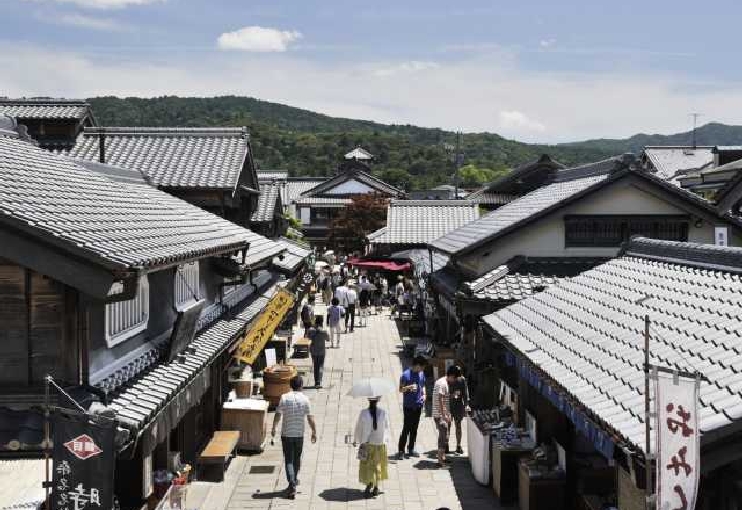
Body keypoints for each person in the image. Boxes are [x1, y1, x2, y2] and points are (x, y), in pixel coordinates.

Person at [271, 376, 317, 499]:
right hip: (299, 435)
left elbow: (278, 414)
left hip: (286, 434)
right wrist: (314, 431)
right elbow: (310, 418)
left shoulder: (284, 398)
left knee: (289, 460)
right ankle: (293, 481)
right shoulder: (305, 399)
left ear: (291, 385)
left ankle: (292, 482)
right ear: (301, 385)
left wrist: (274, 428)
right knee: (297, 459)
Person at [353, 397, 390, 498]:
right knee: (377, 465)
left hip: (367, 444)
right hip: (380, 444)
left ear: (368, 401)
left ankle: (369, 484)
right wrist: (386, 441)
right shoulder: (383, 413)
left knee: (368, 466)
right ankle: (376, 487)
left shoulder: (363, 413)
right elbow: (387, 427)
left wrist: (356, 440)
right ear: (378, 401)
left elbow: (359, 427)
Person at [397, 356, 427, 459]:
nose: (422, 369)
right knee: (406, 428)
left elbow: (423, 385)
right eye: (422, 367)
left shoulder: (421, 374)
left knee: (414, 428)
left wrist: (424, 394)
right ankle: (401, 450)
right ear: (417, 365)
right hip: (408, 406)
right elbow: (400, 390)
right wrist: (409, 387)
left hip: (418, 405)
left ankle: (411, 449)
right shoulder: (405, 375)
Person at [431, 366, 458, 467]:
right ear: (451, 376)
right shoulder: (443, 384)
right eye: (454, 378)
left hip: (440, 414)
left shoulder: (441, 381)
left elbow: (443, 397)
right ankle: (440, 461)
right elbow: (441, 400)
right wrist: (444, 415)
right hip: (440, 415)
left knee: (444, 436)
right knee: (443, 437)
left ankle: (442, 458)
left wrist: (451, 396)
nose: (454, 381)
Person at [448, 366, 470, 454]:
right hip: (448, 405)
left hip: (458, 406)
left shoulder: (462, 380)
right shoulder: (446, 380)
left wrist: (466, 405)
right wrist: (452, 395)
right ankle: (446, 445)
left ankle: (458, 445)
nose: (458, 377)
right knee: (447, 426)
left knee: (458, 426)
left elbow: (465, 393)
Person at [308, 316, 329, 388]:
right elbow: (328, 339)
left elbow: (308, 337)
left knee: (315, 366)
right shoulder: (324, 331)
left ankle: (316, 381)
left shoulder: (311, 330)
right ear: (322, 322)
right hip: (321, 351)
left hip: (313, 351)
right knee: (321, 366)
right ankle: (319, 381)